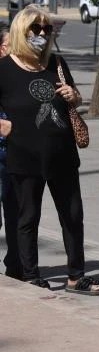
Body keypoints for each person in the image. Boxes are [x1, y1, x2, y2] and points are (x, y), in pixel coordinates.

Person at [0, 5, 99, 293]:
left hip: (63, 154)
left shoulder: (55, 62)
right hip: (24, 155)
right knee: (27, 218)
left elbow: (73, 101)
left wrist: (74, 95)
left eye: (47, 29)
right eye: (36, 29)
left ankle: (75, 275)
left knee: (72, 215)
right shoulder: (4, 69)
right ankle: (30, 276)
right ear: (22, 31)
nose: (42, 33)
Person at [0, 29, 22, 280]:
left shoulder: (20, 73)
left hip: (17, 152)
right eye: (8, 45)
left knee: (17, 213)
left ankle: (16, 266)